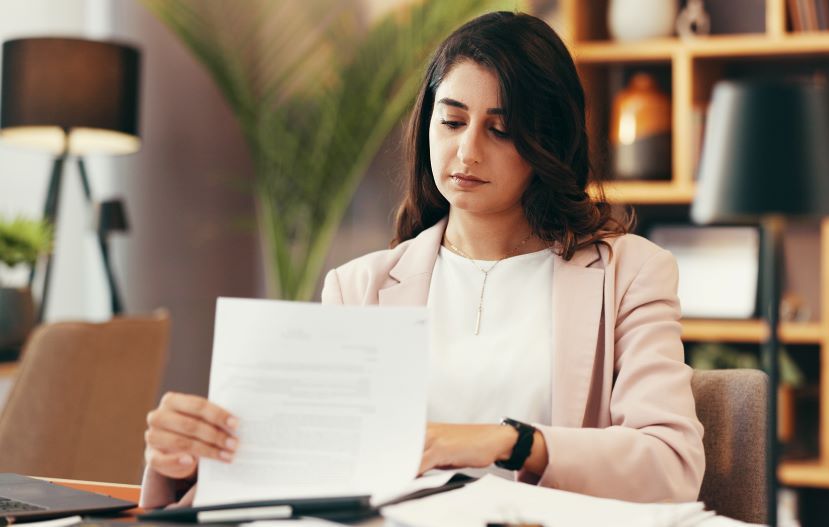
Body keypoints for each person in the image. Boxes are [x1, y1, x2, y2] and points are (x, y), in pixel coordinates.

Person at [140, 11, 705, 508]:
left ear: (548, 143)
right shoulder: (357, 287)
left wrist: (508, 441)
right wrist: (184, 464)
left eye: (501, 129)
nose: (467, 151)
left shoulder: (630, 273)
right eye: (452, 120)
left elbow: (670, 464)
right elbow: (308, 474)